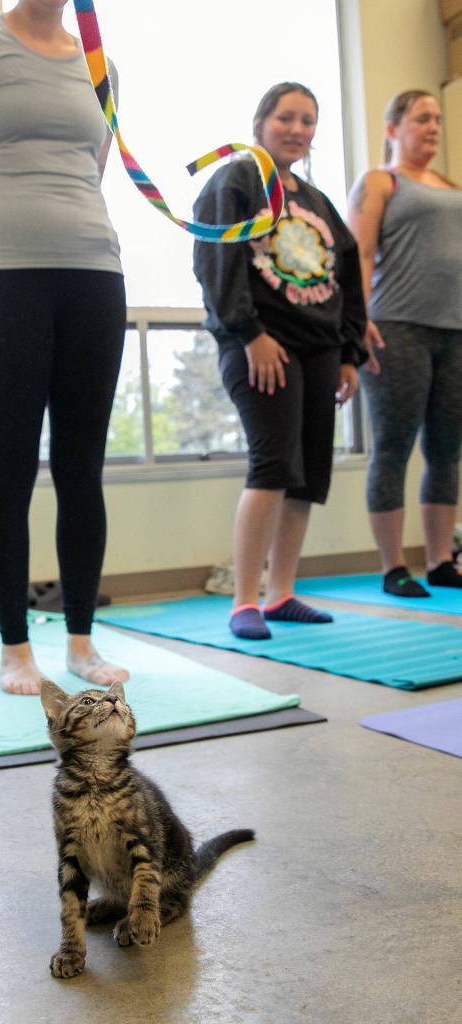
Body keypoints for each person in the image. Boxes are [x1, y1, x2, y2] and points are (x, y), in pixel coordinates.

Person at [0, 0, 129, 694]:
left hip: (94, 272)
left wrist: (59, 239)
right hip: (4, 277)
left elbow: (88, 173)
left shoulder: (99, 65)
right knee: (9, 468)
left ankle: (79, 641)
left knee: (82, 468)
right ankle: (14, 647)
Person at [193, 82, 367, 639]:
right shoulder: (238, 180)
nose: (297, 130)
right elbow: (216, 256)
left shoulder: (316, 202)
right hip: (263, 345)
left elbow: (347, 275)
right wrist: (248, 333)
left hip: (320, 349)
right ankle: (244, 599)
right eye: (286, 118)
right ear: (261, 123)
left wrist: (348, 352)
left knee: (307, 475)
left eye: (308, 121)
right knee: (272, 464)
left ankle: (282, 592)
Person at [347, 90, 462, 597]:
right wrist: (358, 322)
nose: (433, 127)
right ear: (393, 129)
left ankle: (440, 560)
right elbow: (360, 253)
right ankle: (394, 566)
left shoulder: (453, 187)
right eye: (421, 118)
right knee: (393, 447)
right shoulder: (381, 181)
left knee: (446, 451)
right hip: (395, 328)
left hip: (454, 331)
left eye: (437, 119)